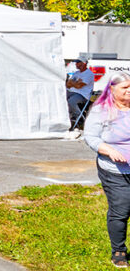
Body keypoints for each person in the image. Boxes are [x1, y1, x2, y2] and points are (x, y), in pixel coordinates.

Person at [84, 71, 130, 268]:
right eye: (125, 88)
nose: (129, 91)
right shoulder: (101, 110)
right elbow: (91, 138)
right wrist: (109, 150)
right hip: (114, 170)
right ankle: (118, 250)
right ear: (112, 89)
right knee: (121, 210)